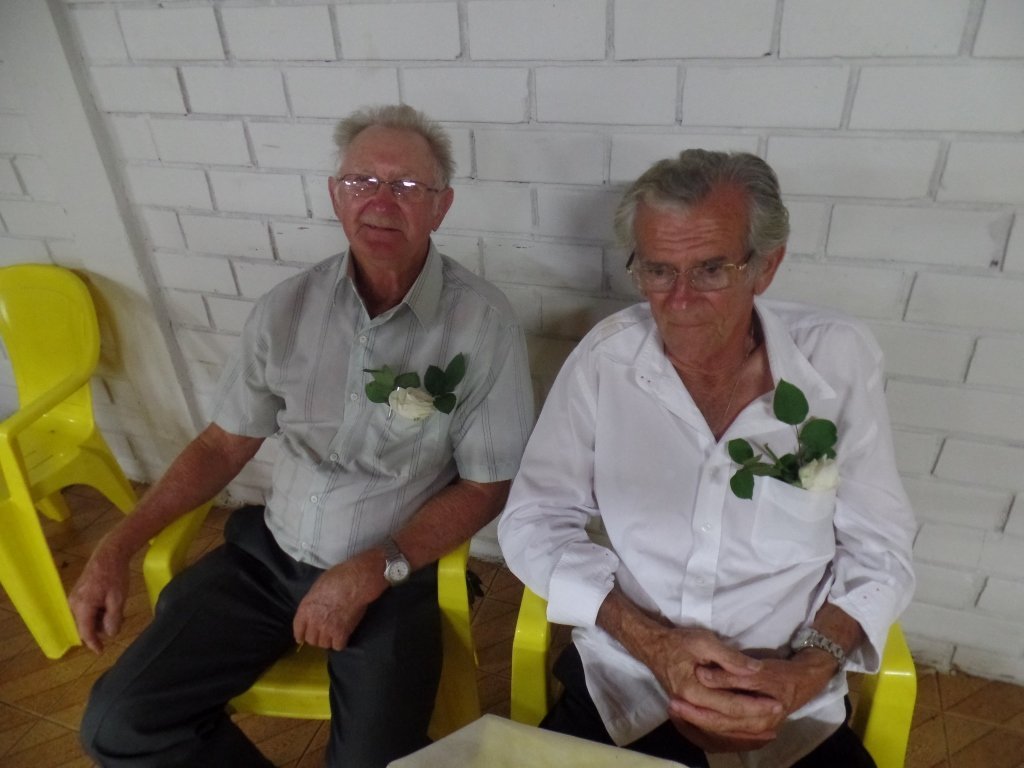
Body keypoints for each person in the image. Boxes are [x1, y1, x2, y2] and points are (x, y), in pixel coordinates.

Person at [71, 104, 533, 768]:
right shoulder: (286, 309)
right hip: (270, 558)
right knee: (117, 722)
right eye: (361, 181)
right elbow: (221, 445)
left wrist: (373, 569)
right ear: (336, 195)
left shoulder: (482, 324)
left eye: (407, 186)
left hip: (392, 577)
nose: (380, 201)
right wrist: (115, 546)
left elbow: (488, 486)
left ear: (441, 206)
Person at [498, 149, 915, 768]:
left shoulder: (837, 360)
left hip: (786, 688)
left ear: (766, 266)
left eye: (712, 270)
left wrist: (808, 669)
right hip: (631, 678)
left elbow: (880, 547)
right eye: (659, 270)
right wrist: (651, 642)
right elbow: (532, 521)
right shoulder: (606, 361)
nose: (680, 300)